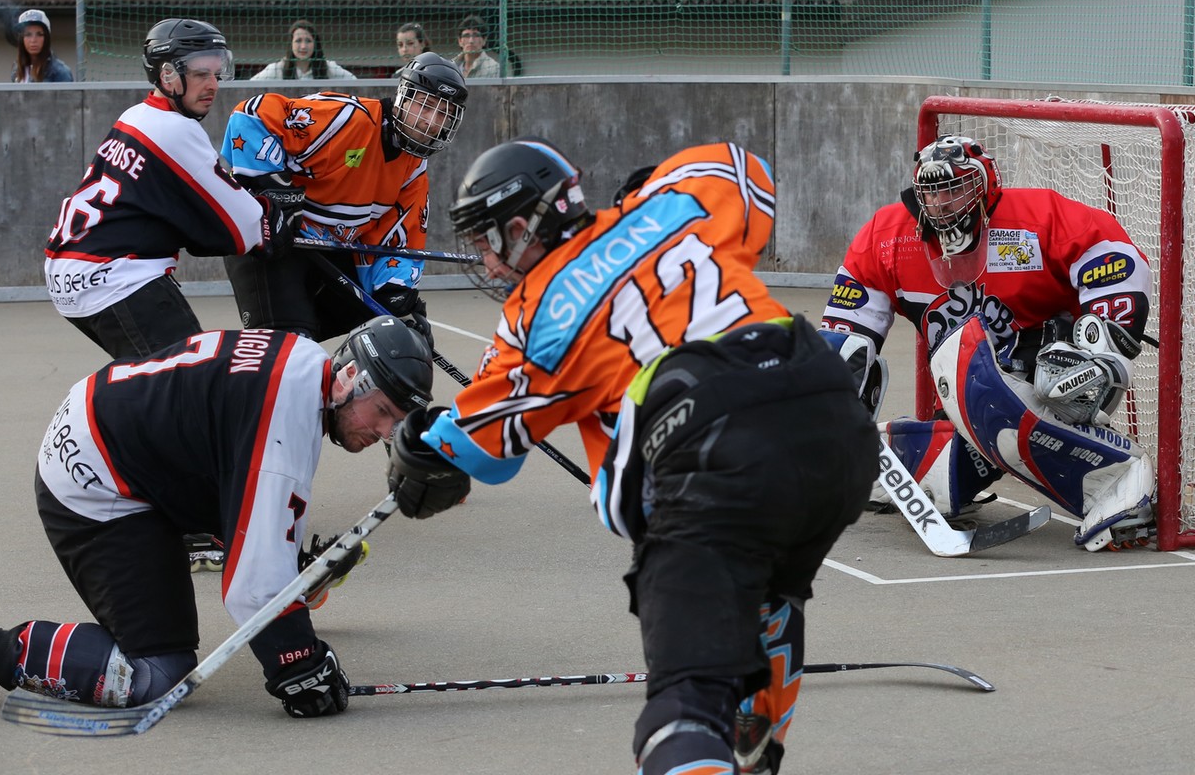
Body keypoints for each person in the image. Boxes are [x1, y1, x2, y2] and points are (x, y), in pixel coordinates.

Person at [383, 138, 879, 775]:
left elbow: (485, 452)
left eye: (486, 241)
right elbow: (744, 168)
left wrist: (420, 444)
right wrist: (650, 199)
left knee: (681, 714)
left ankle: (708, 726)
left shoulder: (535, 315)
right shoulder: (678, 201)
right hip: (832, 414)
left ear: (520, 228)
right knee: (770, 587)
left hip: (714, 445)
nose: (486, 260)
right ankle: (752, 729)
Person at [0, 316, 433, 716]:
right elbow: (253, 590)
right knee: (156, 674)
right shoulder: (286, 423)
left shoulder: (302, 358)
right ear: (349, 378)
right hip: (93, 481)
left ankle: (286, 567)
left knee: (259, 520)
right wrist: (300, 663)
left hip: (119, 432)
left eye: (396, 422)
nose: (384, 433)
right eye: (382, 412)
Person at [820, 134, 1155, 552]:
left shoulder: (1036, 216)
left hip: (1055, 372)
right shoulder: (886, 238)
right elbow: (845, 332)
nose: (942, 204)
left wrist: (1102, 352)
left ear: (986, 186)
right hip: (964, 395)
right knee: (938, 478)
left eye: (955, 189)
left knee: (991, 391)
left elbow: (1116, 261)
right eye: (932, 193)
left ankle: (1122, 477)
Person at [44, 18, 298, 361]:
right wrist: (273, 215)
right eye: (200, 74)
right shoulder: (175, 129)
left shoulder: (135, 115)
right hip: (112, 277)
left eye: (217, 72)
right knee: (190, 378)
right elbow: (247, 228)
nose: (213, 85)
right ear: (167, 75)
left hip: (70, 273)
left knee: (153, 378)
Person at [220, 52, 467, 347]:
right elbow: (251, 115)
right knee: (291, 346)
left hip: (326, 251)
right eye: (425, 107)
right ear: (404, 97)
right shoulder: (348, 118)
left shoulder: (414, 170)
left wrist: (396, 294)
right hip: (271, 240)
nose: (431, 122)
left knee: (388, 329)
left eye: (443, 114)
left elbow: (398, 242)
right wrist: (271, 191)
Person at [250, 20, 356, 81]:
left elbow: (354, 82)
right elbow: (251, 86)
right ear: (291, 44)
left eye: (308, 41)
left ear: (315, 44)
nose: (303, 46)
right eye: (298, 41)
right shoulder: (276, 70)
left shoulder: (330, 68)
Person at [11, 8, 72, 83]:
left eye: (39, 34)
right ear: (21, 38)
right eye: (28, 34)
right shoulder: (17, 69)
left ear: (46, 38)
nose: (33, 40)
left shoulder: (60, 72)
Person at [452, 14, 499, 79]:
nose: (471, 41)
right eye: (466, 36)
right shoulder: (451, 67)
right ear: (460, 41)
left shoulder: (493, 68)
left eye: (476, 35)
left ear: (484, 40)